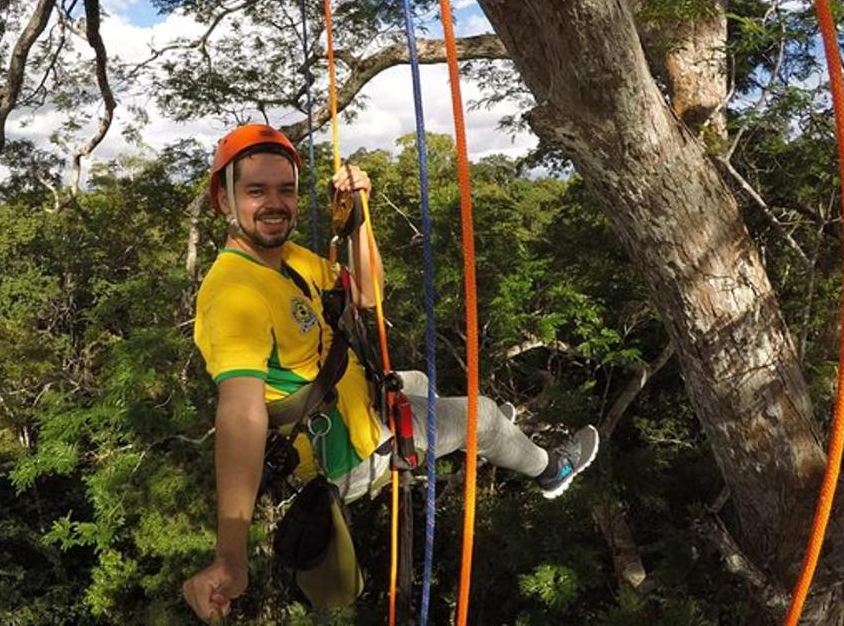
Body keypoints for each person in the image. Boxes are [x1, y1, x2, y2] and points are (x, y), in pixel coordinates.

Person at [182, 124, 599, 623]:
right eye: (255, 191)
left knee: (417, 380)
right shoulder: (234, 293)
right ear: (223, 201)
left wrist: (358, 216)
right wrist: (232, 553)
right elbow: (241, 414)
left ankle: (475, 433)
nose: (275, 203)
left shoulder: (284, 258)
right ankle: (553, 470)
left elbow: (367, 293)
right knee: (484, 417)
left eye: (285, 190)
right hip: (347, 455)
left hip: (350, 405)